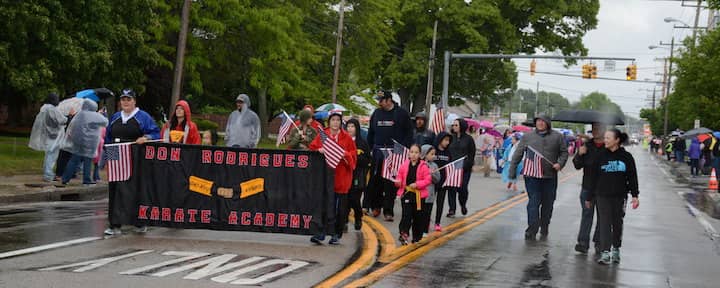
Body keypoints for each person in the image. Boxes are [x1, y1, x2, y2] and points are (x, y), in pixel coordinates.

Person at [103, 89, 160, 236]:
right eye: (123, 99)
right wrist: (108, 157)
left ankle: (139, 221)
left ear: (134, 101)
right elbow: (108, 137)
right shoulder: (115, 117)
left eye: (129, 99)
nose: (126, 102)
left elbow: (156, 133)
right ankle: (114, 224)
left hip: (135, 157)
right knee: (115, 190)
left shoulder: (143, 117)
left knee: (134, 189)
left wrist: (146, 137)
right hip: (116, 154)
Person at [508, 114, 568, 240]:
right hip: (532, 176)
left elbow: (564, 152)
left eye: (543, 121)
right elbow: (518, 154)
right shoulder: (528, 136)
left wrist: (560, 164)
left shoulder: (557, 136)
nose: (540, 123)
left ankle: (544, 225)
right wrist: (512, 171)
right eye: (538, 121)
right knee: (533, 203)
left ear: (548, 123)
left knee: (548, 204)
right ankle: (532, 228)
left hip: (549, 176)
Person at [586, 128, 639, 265]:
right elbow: (593, 178)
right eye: (605, 138)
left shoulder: (626, 157)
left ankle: (616, 249)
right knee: (604, 223)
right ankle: (605, 252)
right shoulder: (600, 156)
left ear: (617, 140)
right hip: (602, 195)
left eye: (608, 138)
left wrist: (635, 195)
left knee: (617, 223)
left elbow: (632, 177)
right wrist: (589, 197)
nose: (605, 140)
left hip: (620, 196)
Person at [309, 112, 357, 245]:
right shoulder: (323, 135)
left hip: (341, 178)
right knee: (324, 206)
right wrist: (319, 150)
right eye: (333, 120)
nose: (335, 122)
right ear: (329, 122)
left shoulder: (346, 138)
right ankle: (321, 233)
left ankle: (336, 233)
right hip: (326, 178)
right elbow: (312, 148)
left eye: (338, 120)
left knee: (338, 209)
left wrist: (343, 154)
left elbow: (353, 158)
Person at [366, 90, 413, 221]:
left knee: (390, 183)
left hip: (394, 153)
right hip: (378, 151)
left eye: (381, 100)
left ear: (389, 100)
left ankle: (388, 210)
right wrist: (369, 149)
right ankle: (376, 206)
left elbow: (409, 133)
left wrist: (403, 149)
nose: (379, 103)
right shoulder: (376, 113)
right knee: (376, 180)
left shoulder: (401, 113)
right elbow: (371, 133)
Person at [572, 122, 606, 254]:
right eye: (594, 129)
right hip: (588, 187)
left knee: (602, 217)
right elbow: (577, 165)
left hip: (604, 189)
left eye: (599, 128)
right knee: (587, 215)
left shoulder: (609, 147)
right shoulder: (587, 146)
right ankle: (582, 242)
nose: (596, 131)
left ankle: (599, 242)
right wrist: (579, 154)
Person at [57, 99, 108, 186]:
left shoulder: (79, 114)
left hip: (78, 142)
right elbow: (105, 122)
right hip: (89, 144)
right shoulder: (94, 115)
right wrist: (99, 114)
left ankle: (65, 179)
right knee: (87, 161)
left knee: (73, 160)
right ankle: (87, 180)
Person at [394, 144, 431, 244]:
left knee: (417, 217)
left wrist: (417, 184)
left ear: (419, 154)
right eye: (412, 152)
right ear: (409, 153)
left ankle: (417, 236)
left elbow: (428, 180)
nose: (413, 155)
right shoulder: (404, 165)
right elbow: (399, 176)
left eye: (416, 152)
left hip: (419, 196)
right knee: (406, 215)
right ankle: (404, 233)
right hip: (407, 193)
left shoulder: (423, 166)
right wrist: (398, 182)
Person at [28, 93, 69, 182]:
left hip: (49, 135)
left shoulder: (44, 108)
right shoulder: (52, 109)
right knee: (51, 156)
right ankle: (48, 175)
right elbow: (61, 120)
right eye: (56, 98)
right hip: (54, 136)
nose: (58, 100)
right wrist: (69, 116)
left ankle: (47, 173)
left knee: (48, 155)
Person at [345, 118, 371, 231]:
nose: (350, 129)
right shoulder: (344, 141)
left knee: (354, 199)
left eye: (352, 126)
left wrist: (356, 158)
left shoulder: (362, 143)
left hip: (358, 174)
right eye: (348, 126)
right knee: (345, 199)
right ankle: (343, 221)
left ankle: (358, 216)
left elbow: (367, 160)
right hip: (345, 174)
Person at [447, 118, 476, 217]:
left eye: (456, 125)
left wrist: (467, 164)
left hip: (464, 168)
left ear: (461, 126)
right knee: (451, 188)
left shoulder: (469, 139)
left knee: (462, 188)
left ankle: (463, 204)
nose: (454, 127)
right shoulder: (451, 138)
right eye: (453, 125)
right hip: (452, 167)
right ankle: (452, 209)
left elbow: (472, 154)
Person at [433, 132, 452, 231]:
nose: (447, 142)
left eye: (448, 140)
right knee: (429, 203)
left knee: (440, 203)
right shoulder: (433, 150)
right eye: (446, 140)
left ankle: (437, 222)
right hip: (432, 182)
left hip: (443, 182)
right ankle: (426, 221)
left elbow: (451, 166)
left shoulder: (448, 152)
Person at [420, 144, 441, 236]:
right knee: (420, 213)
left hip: (430, 195)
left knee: (427, 213)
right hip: (420, 194)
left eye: (434, 154)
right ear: (424, 154)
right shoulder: (420, 164)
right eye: (431, 154)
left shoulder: (434, 166)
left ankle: (425, 230)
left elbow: (437, 179)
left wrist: (432, 174)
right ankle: (419, 229)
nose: (434, 156)